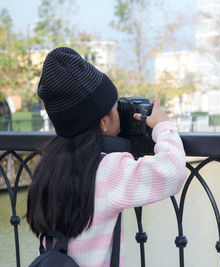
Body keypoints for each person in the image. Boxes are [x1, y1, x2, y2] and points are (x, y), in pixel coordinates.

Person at [26, 47, 187, 266]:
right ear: (103, 123)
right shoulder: (108, 170)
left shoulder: (47, 167)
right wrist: (163, 126)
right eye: (115, 109)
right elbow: (173, 172)